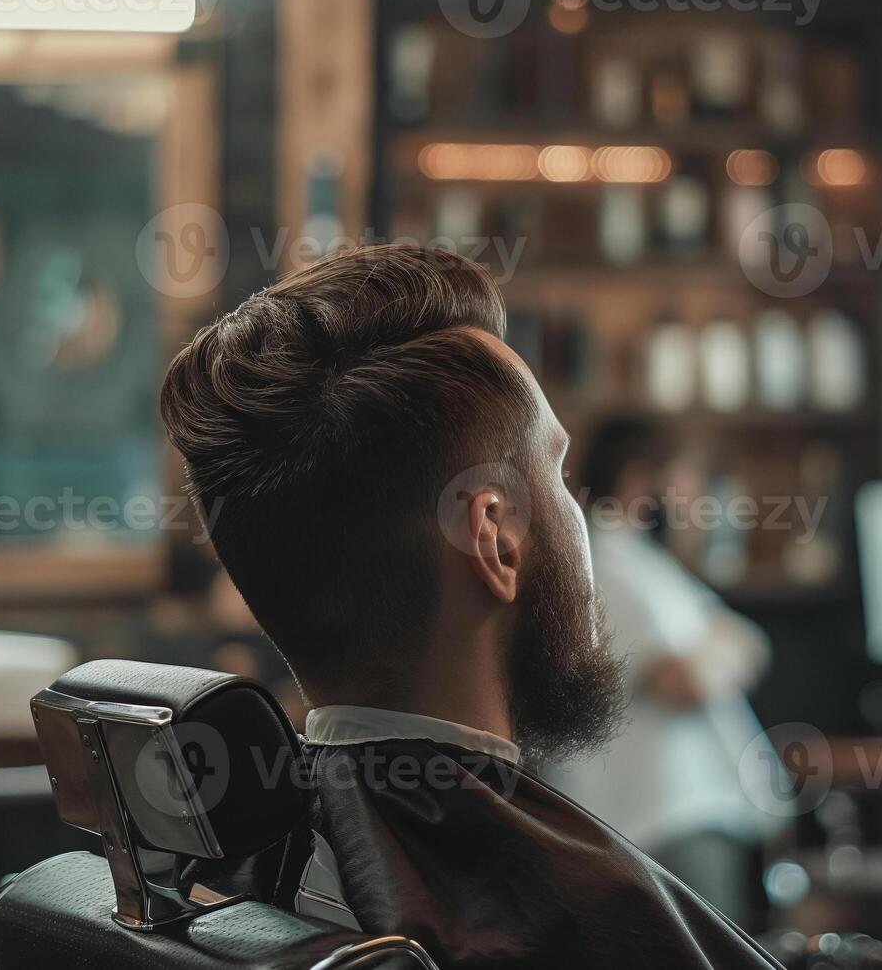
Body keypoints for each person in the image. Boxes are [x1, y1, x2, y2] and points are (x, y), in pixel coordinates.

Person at [159, 244, 782, 968]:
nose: (583, 517)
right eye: (560, 470)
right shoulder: (594, 929)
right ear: (494, 538)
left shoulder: (242, 874)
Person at [538, 416, 784, 927]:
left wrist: (717, 650)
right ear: (639, 479)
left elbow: (745, 641)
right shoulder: (609, 561)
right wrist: (714, 652)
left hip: (683, 817)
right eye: (686, 477)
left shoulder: (646, 565)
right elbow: (684, 680)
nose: (696, 496)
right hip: (668, 820)